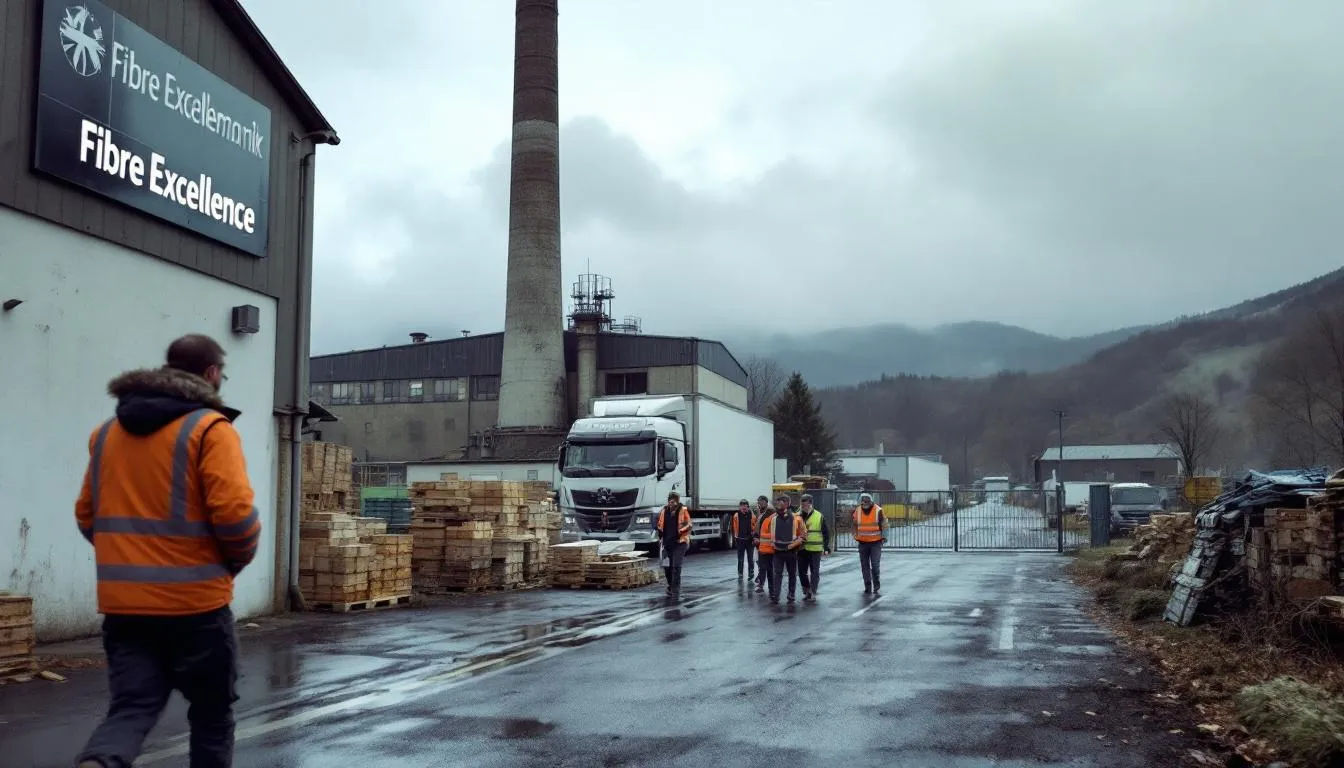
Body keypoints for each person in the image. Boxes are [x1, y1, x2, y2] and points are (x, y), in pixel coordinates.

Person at [75, 334, 261, 768]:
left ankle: (99, 762)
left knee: (131, 709)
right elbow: (234, 516)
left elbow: (88, 515)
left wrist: (129, 561)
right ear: (212, 374)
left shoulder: (106, 434)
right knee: (212, 715)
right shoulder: (211, 429)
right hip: (196, 607)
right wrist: (231, 562)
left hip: (126, 610)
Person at [763, 495, 806, 603]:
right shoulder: (773, 518)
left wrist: (795, 544)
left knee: (792, 574)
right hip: (777, 550)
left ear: (787, 503)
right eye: (777, 502)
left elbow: (804, 534)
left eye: (781, 502)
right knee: (777, 574)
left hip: (791, 551)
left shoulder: (797, 518)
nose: (778, 504)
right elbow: (767, 533)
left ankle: (791, 594)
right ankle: (776, 596)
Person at [656, 490, 692, 597]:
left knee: (676, 566)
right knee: (667, 567)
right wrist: (660, 536)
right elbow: (660, 525)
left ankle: (675, 589)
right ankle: (670, 585)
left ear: (677, 501)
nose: (671, 503)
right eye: (669, 501)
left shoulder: (683, 511)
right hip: (667, 543)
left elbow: (689, 525)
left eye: (673, 501)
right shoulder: (664, 511)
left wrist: (680, 532)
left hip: (680, 543)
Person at [796, 494, 831, 601]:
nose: (803, 506)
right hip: (801, 548)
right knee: (801, 572)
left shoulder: (819, 516)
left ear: (810, 504)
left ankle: (812, 591)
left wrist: (826, 547)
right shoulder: (797, 516)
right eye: (801, 504)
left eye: (805, 504)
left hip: (815, 549)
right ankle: (806, 589)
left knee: (814, 571)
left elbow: (826, 533)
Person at [853, 492, 887, 595]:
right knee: (864, 566)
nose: (865, 502)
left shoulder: (878, 510)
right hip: (862, 543)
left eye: (867, 500)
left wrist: (884, 536)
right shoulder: (858, 511)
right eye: (863, 500)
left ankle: (876, 585)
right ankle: (867, 586)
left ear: (871, 501)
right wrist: (855, 534)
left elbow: (884, 524)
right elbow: (854, 523)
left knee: (875, 565)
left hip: (875, 543)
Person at [753, 495, 775, 594]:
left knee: (769, 567)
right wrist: (755, 537)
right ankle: (761, 584)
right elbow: (758, 527)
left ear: (766, 502)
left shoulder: (771, 513)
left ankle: (771, 587)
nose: (759, 504)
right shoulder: (762, 513)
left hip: (769, 546)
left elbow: (771, 530)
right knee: (762, 566)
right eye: (758, 502)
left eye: (761, 502)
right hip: (761, 545)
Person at [730, 499, 756, 580]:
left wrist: (754, 536)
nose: (744, 507)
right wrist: (735, 538)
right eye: (742, 506)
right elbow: (733, 528)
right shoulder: (736, 516)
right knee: (740, 558)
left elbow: (755, 527)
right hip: (740, 540)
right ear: (739, 507)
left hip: (749, 540)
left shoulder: (752, 516)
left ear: (748, 507)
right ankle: (740, 573)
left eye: (745, 506)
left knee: (750, 558)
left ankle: (751, 572)